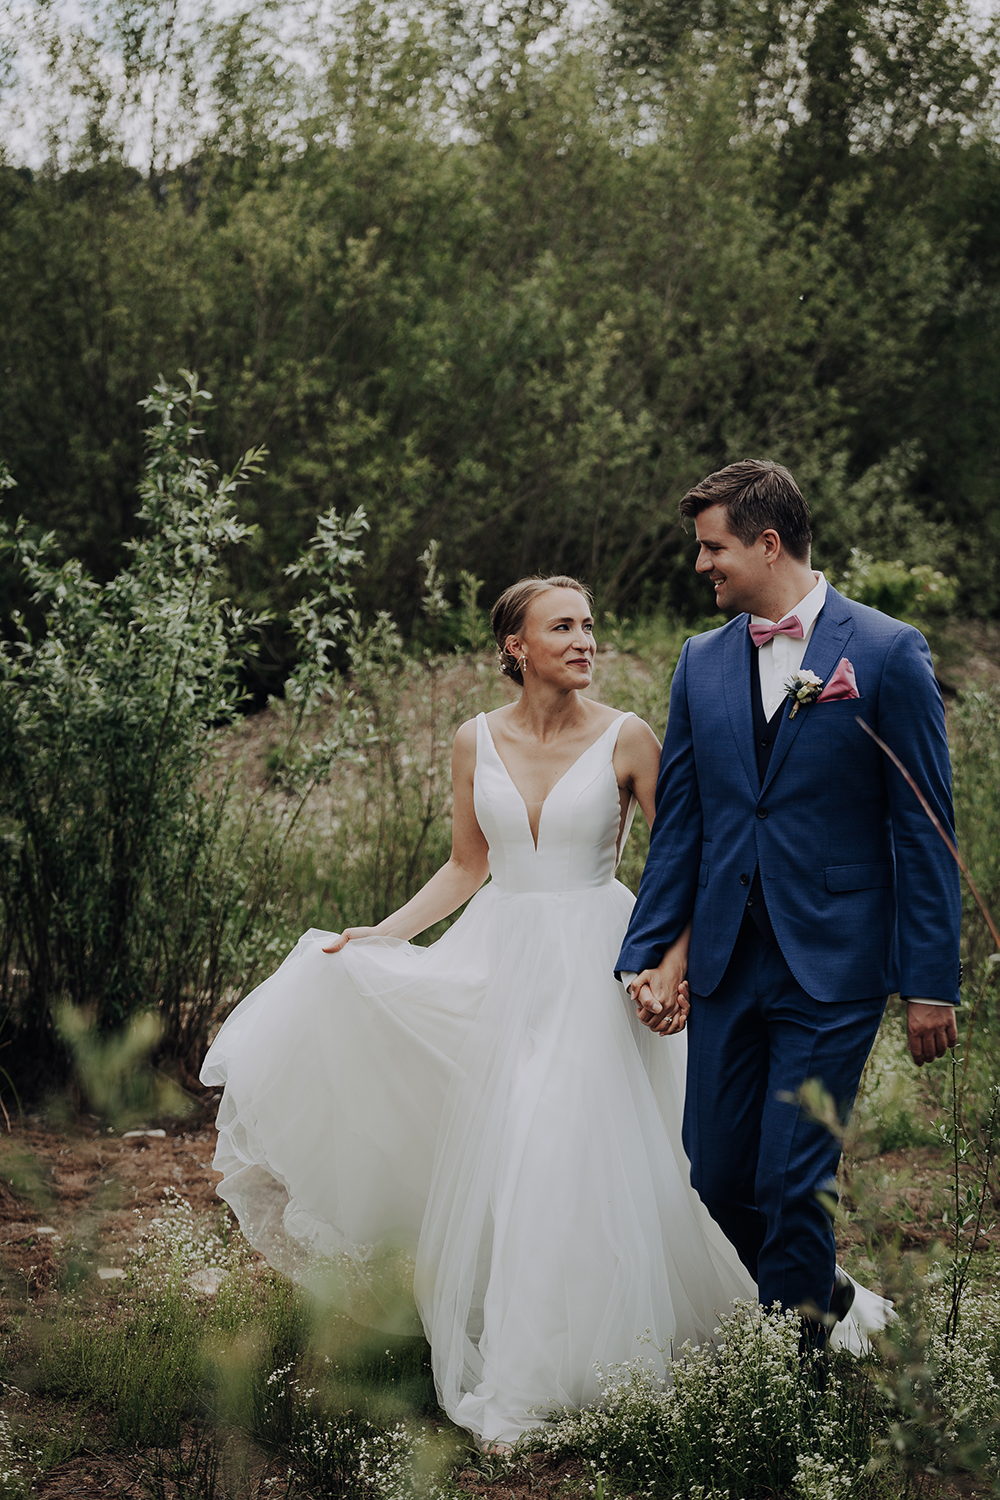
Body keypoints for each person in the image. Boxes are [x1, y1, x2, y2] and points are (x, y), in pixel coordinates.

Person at [201, 573, 887, 1449]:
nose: (584, 640)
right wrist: (385, 933)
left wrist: (669, 961)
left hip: (597, 962)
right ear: (515, 646)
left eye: (589, 625)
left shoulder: (629, 736)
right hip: (499, 957)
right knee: (515, 1152)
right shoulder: (473, 738)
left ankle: (556, 1372)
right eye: (562, 626)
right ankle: (547, 1356)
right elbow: (467, 864)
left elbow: (692, 856)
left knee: (555, 1142)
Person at [616, 460, 961, 1346]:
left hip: (835, 963)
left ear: (768, 544)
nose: (701, 564)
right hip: (727, 960)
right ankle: (827, 1290)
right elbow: (683, 823)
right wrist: (650, 952)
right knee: (718, 1174)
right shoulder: (700, 661)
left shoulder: (886, 650)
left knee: (791, 1177)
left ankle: (794, 1376)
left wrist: (931, 982)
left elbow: (924, 829)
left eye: (713, 547)